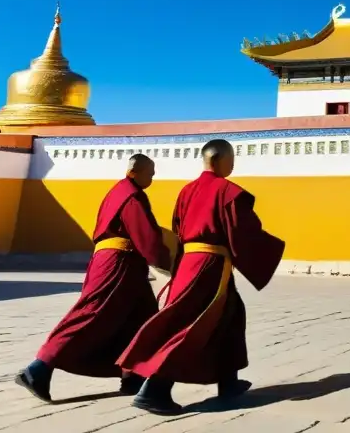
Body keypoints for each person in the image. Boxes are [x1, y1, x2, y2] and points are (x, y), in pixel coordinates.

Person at [118, 139, 286, 415]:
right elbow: (242, 231)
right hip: (211, 265)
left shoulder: (186, 191)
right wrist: (272, 246)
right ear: (221, 160)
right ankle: (155, 388)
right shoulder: (229, 192)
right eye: (232, 159)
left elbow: (178, 227)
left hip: (189, 262)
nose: (233, 165)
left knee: (231, 315)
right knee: (193, 324)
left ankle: (228, 381)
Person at [15, 154, 171, 403]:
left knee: (141, 318)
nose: (152, 177)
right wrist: (166, 262)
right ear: (135, 172)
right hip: (119, 263)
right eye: (150, 172)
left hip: (124, 264)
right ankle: (40, 367)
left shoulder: (117, 193)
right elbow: (147, 237)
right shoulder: (131, 196)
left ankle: (133, 375)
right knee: (93, 313)